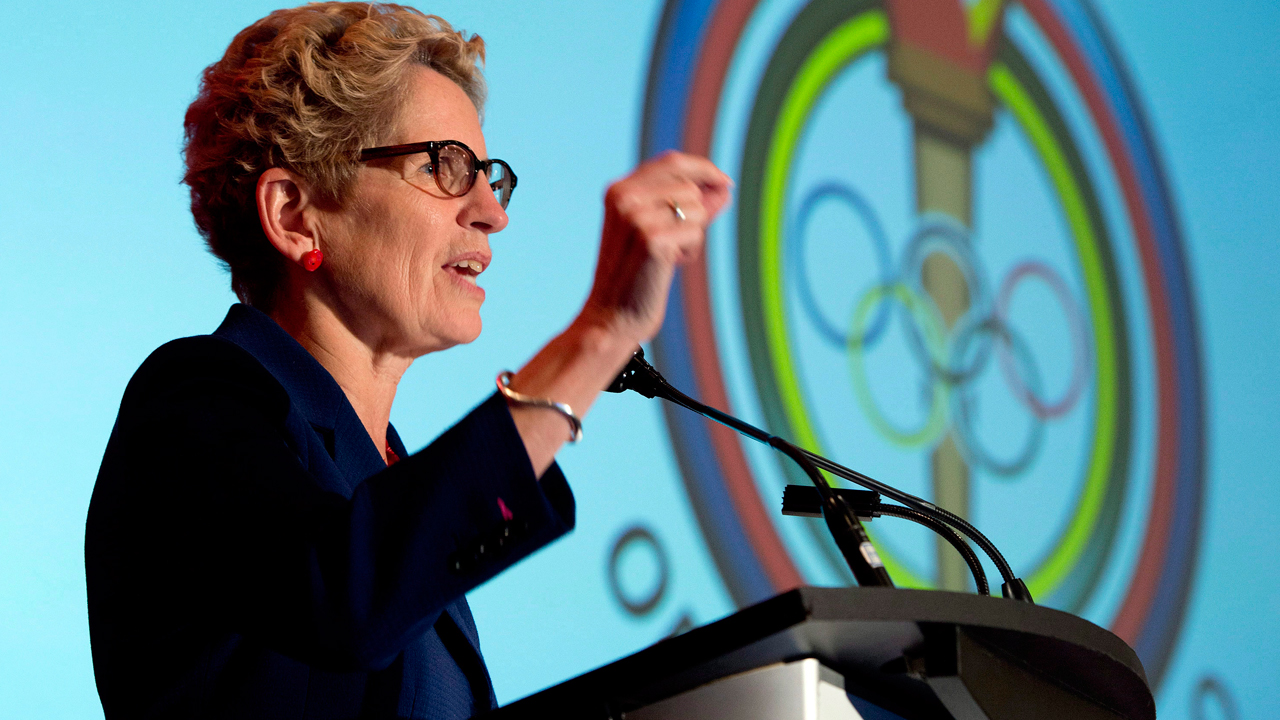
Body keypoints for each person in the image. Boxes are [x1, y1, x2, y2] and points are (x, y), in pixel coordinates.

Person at [83, 3, 731, 719]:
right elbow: (347, 595)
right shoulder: (192, 407)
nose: (492, 212)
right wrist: (601, 333)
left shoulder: (392, 478)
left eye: (488, 175)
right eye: (442, 165)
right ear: (295, 215)